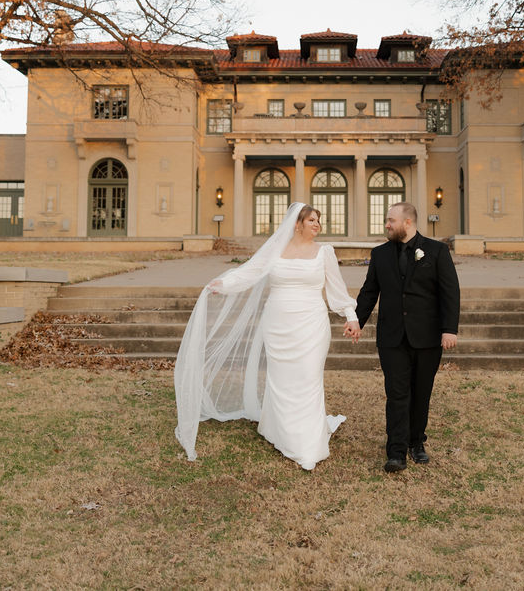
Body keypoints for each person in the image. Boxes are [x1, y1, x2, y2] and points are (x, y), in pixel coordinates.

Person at [174, 202, 360, 471]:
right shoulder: (275, 250)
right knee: (281, 379)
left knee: (308, 377)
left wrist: (351, 317)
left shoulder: (324, 253)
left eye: (319, 220)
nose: (317, 224)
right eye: (312, 220)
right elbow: (249, 272)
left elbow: (337, 290)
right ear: (296, 224)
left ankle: (307, 444)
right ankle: (279, 430)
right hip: (278, 324)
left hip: (311, 324)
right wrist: (222, 285)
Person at [346, 202, 460, 473]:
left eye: (390, 221)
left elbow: (450, 292)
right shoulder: (380, 254)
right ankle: (395, 452)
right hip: (392, 337)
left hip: (428, 336)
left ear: (407, 222)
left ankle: (416, 442)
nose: (386, 225)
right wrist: (356, 321)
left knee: (421, 393)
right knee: (397, 394)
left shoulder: (437, 251)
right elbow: (369, 292)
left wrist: (449, 329)